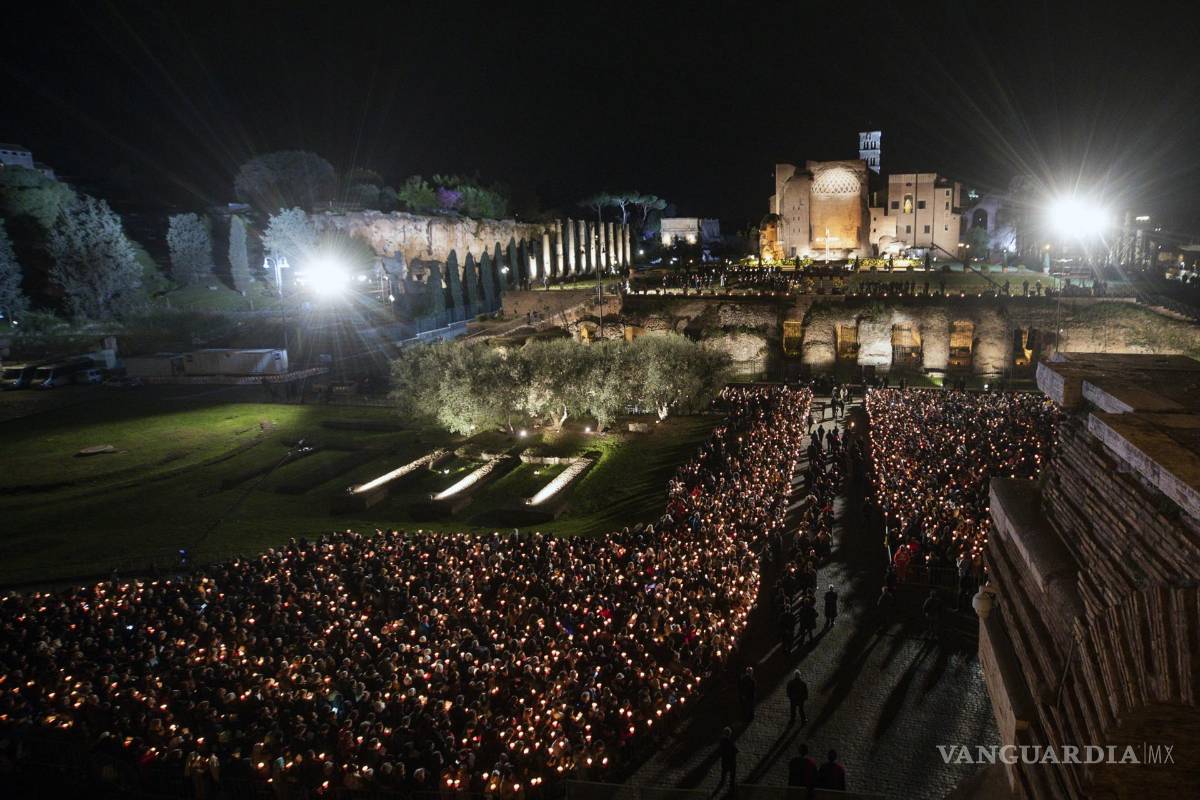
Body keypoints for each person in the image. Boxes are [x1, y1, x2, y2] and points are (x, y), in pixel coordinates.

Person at [716, 727, 738, 794]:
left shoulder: (721, 741)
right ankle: (731, 787)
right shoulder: (729, 741)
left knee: (724, 772)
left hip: (724, 760)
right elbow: (735, 750)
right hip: (731, 760)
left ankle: (722, 782)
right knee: (732, 774)